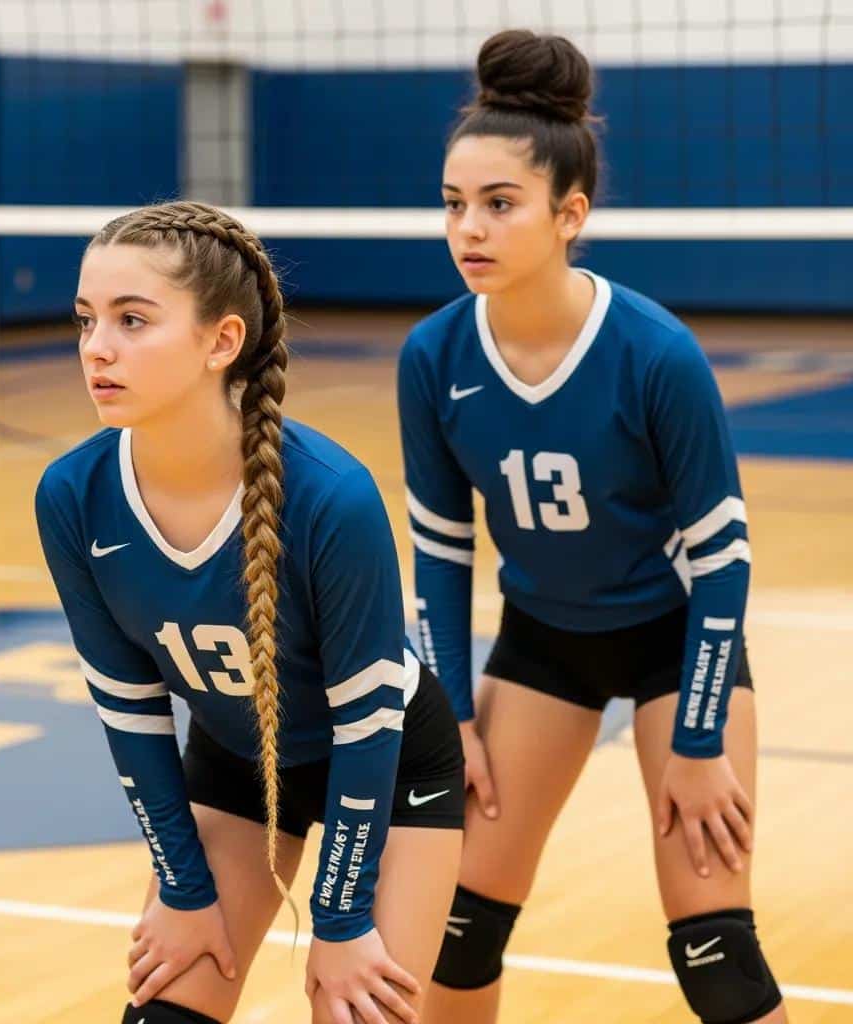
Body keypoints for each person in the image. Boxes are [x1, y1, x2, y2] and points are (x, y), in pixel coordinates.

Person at [397, 30, 788, 1024]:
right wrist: (453, 718)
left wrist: (698, 742)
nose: (467, 229)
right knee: (458, 929)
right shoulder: (433, 356)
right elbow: (440, 553)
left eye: (498, 204)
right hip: (543, 648)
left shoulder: (654, 354)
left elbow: (722, 560)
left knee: (714, 954)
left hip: (675, 646)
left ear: (568, 215)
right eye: (453, 204)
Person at [36, 200, 465, 1024]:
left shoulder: (330, 497)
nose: (97, 348)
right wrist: (183, 888)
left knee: (359, 1012)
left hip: (388, 765)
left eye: (133, 321)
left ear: (221, 341)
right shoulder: (72, 496)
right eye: (87, 319)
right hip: (241, 761)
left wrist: (341, 922)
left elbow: (368, 729)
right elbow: (131, 714)